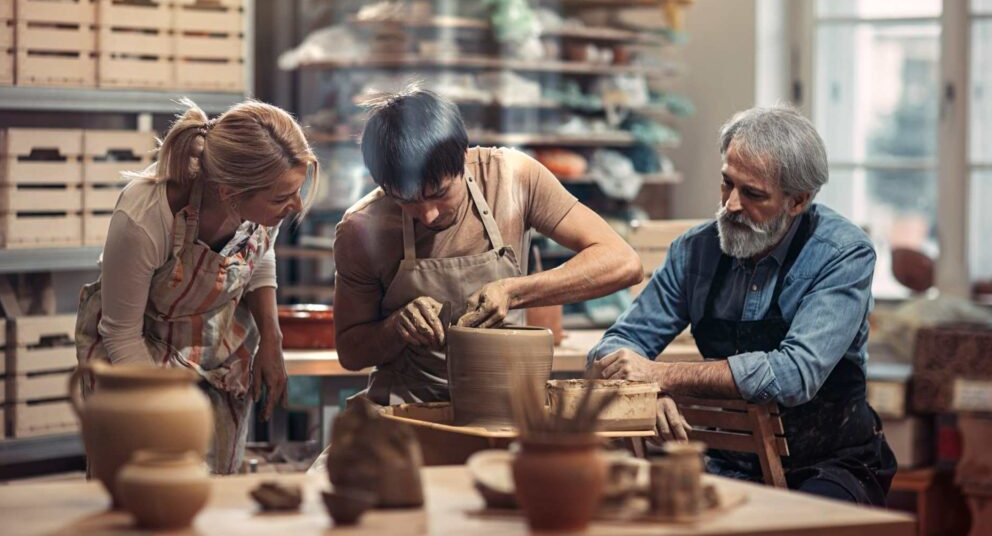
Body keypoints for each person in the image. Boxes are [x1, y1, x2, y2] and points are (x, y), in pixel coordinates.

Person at [587, 105, 897, 505]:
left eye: (752, 193)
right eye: (726, 183)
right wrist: (646, 389)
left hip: (829, 463)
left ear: (797, 201)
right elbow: (612, 348)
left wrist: (664, 375)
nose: (730, 204)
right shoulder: (694, 251)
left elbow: (794, 373)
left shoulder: (842, 254)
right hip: (724, 460)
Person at [333, 87, 643, 406]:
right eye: (406, 201)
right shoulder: (362, 228)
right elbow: (351, 353)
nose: (428, 215)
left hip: (507, 402)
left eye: (439, 193)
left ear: (463, 157)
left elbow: (623, 262)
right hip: (408, 403)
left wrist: (514, 291)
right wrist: (395, 328)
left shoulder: (513, 178)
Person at [75, 99, 319, 474]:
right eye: (282, 198)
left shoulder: (265, 198)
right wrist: (167, 413)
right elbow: (120, 333)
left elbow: (259, 254)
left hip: (212, 349)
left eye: (296, 191)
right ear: (230, 193)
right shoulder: (145, 217)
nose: (295, 205)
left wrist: (272, 339)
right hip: (137, 354)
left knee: (215, 491)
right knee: (149, 484)